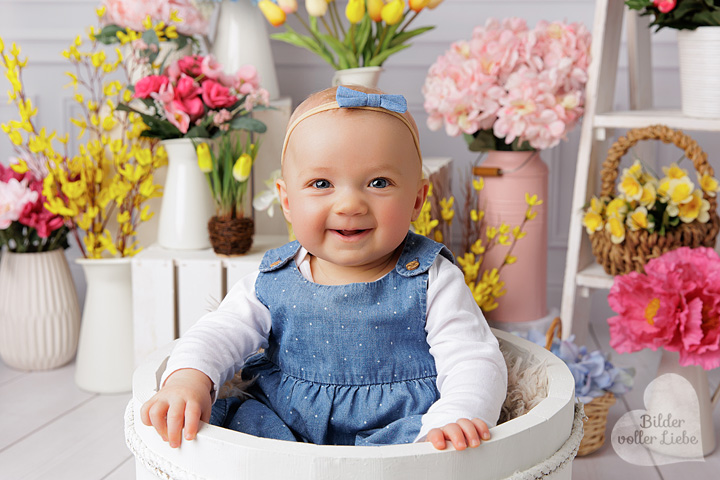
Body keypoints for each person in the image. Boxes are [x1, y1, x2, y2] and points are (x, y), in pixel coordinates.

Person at [141, 85, 508, 451]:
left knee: (429, 454)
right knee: (232, 433)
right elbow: (220, 331)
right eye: (321, 183)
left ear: (417, 199)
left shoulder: (432, 278)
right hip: (283, 426)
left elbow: (472, 356)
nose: (350, 204)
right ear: (287, 200)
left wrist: (457, 413)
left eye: (379, 182)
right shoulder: (274, 278)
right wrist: (189, 378)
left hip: (398, 433)